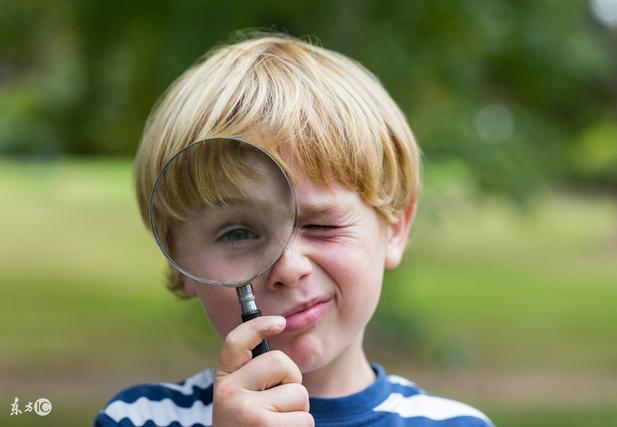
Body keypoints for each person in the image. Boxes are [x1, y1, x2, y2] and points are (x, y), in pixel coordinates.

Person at [94, 33, 494, 427]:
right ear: (178, 262)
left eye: (321, 225)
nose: (288, 268)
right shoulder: (138, 419)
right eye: (236, 233)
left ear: (396, 229)